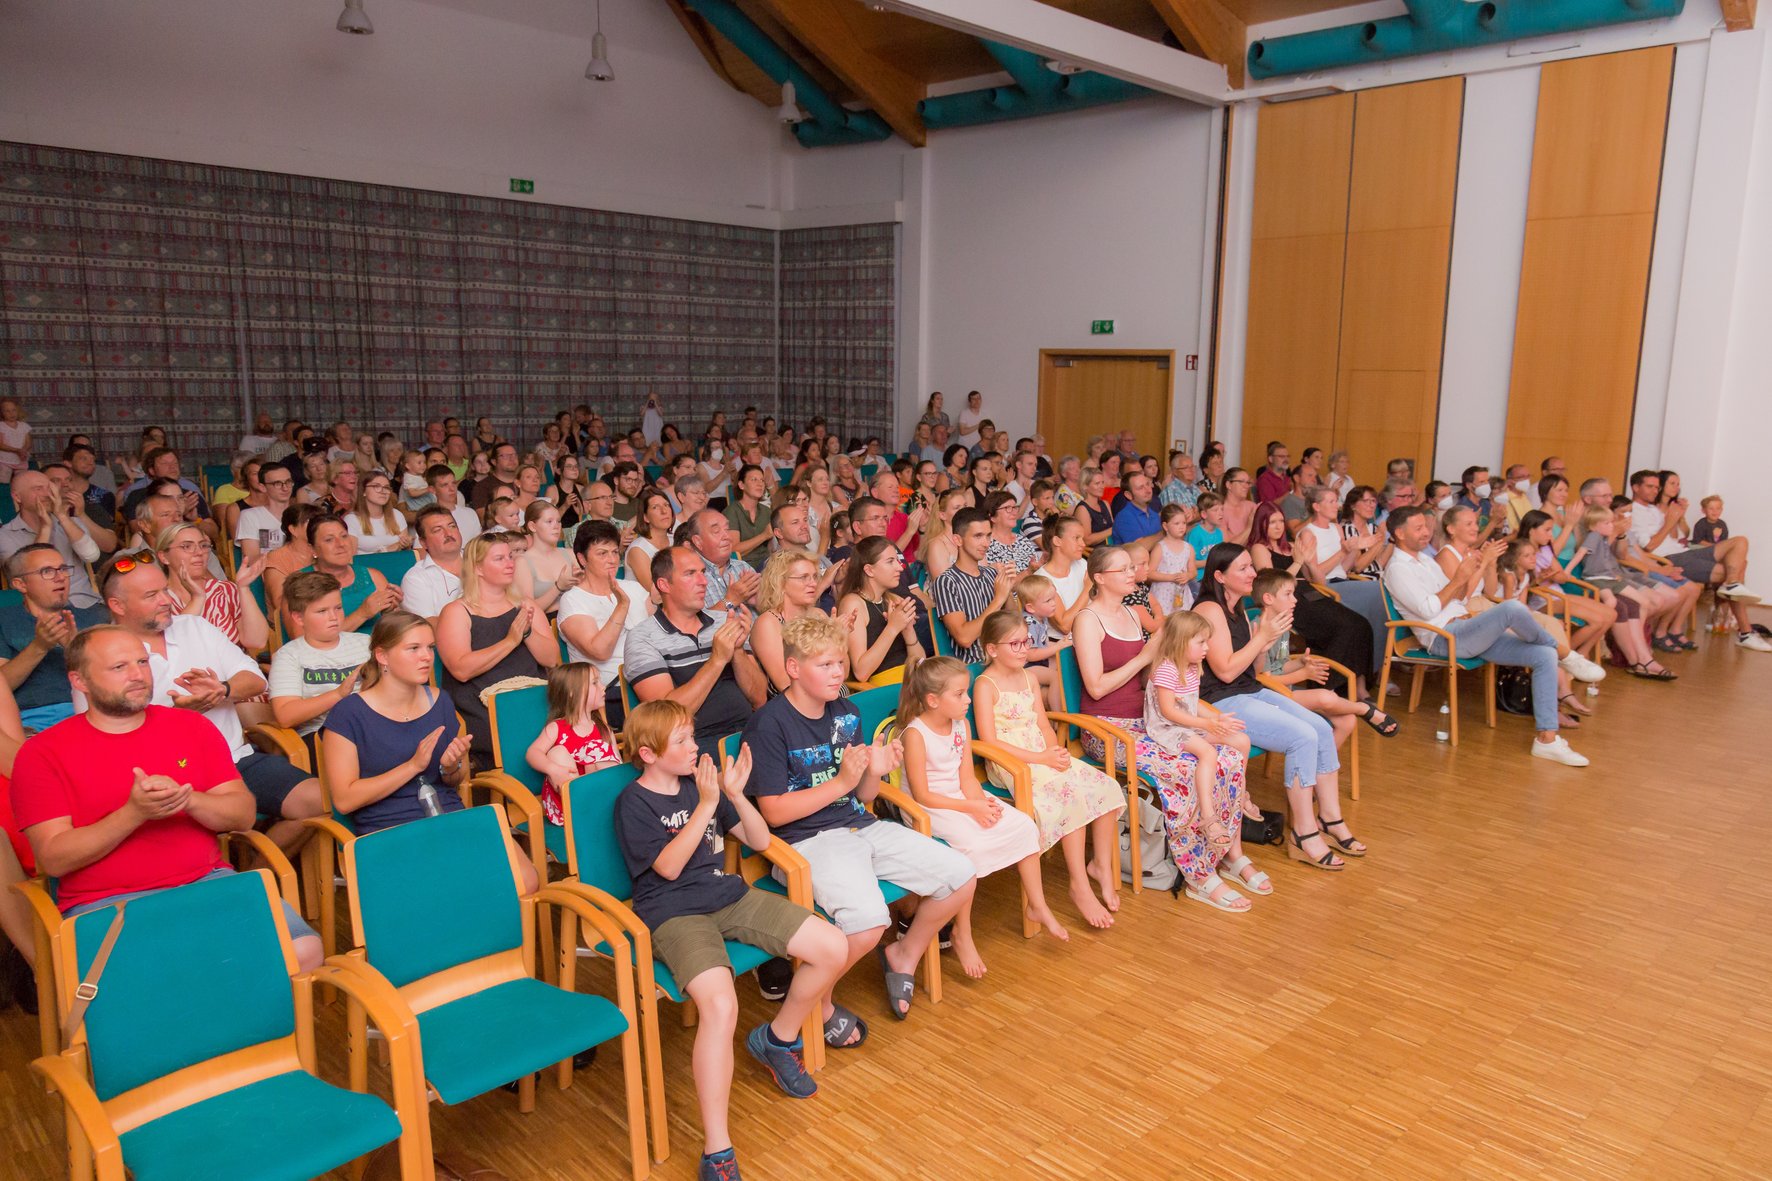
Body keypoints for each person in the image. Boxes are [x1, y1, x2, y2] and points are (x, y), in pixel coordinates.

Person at [614, 700, 847, 1181]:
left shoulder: (703, 786)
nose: (693, 746)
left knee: (832, 947)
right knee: (720, 1007)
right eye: (681, 740)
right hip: (673, 913)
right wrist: (705, 805)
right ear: (648, 754)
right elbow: (668, 868)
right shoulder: (634, 803)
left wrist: (735, 796)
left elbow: (759, 841)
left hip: (728, 896)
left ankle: (778, 1040)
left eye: (692, 734)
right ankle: (717, 1148)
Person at [11, 625, 322, 971]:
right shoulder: (43, 753)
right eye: (119, 667)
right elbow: (53, 859)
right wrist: (133, 814)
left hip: (206, 883)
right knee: (165, 977)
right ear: (79, 681)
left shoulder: (191, 726)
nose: (137, 675)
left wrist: (188, 801)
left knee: (303, 950)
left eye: (142, 662)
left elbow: (243, 815)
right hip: (107, 903)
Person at [743, 616, 977, 1030]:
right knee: (869, 923)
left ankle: (904, 954)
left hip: (858, 824)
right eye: (825, 665)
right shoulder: (769, 724)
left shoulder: (846, 712)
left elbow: (864, 794)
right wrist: (840, 783)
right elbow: (775, 812)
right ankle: (819, 1003)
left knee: (961, 875)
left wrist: (875, 771)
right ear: (793, 668)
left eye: (840, 663)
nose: (838, 673)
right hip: (804, 841)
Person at [1069, 547, 1258, 904]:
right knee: (1187, 769)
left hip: (1147, 720)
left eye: (1132, 567)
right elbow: (1096, 687)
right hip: (1105, 729)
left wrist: (1188, 689)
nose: (1132, 573)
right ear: (1099, 578)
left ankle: (1226, 853)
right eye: (1123, 569)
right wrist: (1145, 657)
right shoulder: (1087, 620)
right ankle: (1199, 873)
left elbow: (1153, 678)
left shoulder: (1131, 612)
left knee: (1229, 754)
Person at [1190, 543, 1370, 871]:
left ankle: (1330, 818)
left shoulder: (1238, 607)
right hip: (1219, 701)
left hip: (1249, 690)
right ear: (1219, 576)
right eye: (1243, 568)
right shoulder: (1209, 610)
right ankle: (1303, 832)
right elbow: (1225, 671)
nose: (1252, 573)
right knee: (1302, 736)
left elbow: (1253, 669)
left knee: (1321, 727)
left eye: (1251, 565)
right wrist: (1261, 639)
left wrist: (1265, 643)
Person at [897, 656, 1067, 977]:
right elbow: (922, 795)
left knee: (1023, 826)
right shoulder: (915, 734)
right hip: (928, 809)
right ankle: (962, 932)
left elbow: (966, 778)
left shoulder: (960, 725)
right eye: (960, 694)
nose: (968, 700)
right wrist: (971, 809)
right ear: (933, 700)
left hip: (961, 799)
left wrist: (982, 805)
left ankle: (1037, 904)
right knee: (972, 848)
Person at [1383, 507, 1590, 766]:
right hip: (1445, 637)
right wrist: (1458, 578)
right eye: (1418, 528)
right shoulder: (1398, 568)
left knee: (1543, 655)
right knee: (1512, 608)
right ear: (1400, 533)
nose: (1426, 532)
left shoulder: (1425, 560)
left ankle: (1547, 740)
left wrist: (1468, 575)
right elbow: (1427, 610)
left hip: (1467, 628)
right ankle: (1567, 656)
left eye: (1426, 526)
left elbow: (1460, 598)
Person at [972, 611, 1124, 928]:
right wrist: (1040, 759)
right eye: (1014, 644)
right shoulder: (986, 685)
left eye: (1025, 642)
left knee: (1105, 786)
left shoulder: (1029, 678)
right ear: (992, 649)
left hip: (1041, 753)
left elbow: (1042, 723)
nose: (1023, 649)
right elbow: (989, 740)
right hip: (1010, 762)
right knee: (1069, 798)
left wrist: (1055, 752)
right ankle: (1079, 885)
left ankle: (1101, 865)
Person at [1142, 609, 1262, 911]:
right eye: (1201, 642)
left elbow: (1194, 705)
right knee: (1207, 752)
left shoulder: (1194, 667)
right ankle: (1209, 816)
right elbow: (1169, 712)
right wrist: (1207, 725)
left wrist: (1218, 720)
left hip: (1188, 723)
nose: (1207, 647)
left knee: (1241, 740)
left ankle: (1241, 794)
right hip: (1167, 728)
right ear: (1181, 643)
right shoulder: (1166, 670)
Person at [627, 545, 767, 760]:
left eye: (702, 572)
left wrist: (737, 650)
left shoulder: (724, 621)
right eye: (690, 574)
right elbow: (667, 719)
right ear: (664, 584)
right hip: (694, 747)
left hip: (749, 733)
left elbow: (759, 698)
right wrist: (717, 660)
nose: (703, 581)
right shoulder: (643, 637)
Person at [437, 533, 561, 766]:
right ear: (478, 568)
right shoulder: (457, 611)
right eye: (499, 558)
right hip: (483, 709)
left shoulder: (525, 605)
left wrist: (527, 632)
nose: (510, 563)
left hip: (532, 700)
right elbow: (461, 669)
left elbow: (552, 659)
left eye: (510, 556)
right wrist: (510, 641)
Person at [1626, 470, 1765, 652]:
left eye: (1656, 487)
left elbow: (1676, 537)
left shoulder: (1654, 509)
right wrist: (1670, 521)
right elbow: (1649, 546)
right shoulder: (1632, 512)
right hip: (1669, 558)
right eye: (1650, 486)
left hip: (1683, 551)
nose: (1654, 490)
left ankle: (1732, 589)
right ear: (1636, 488)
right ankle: (1744, 630)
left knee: (1740, 542)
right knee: (1734, 571)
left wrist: (1678, 516)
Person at [0, 544, 110, 729]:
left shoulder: (96, 617)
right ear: (20, 584)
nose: (60, 577)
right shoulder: (4, 620)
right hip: (31, 723)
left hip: (95, 715)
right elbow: (2, 685)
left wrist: (75, 650)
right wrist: (39, 646)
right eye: (47, 571)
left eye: (63, 569)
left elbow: (114, 676)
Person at [267, 571, 371, 761]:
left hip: (371, 726)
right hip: (320, 735)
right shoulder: (289, 656)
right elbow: (285, 715)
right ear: (299, 618)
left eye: (338, 608)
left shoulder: (366, 644)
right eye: (322, 611)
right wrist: (338, 694)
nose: (334, 617)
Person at [557, 521, 650, 729]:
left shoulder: (634, 588)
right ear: (582, 559)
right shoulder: (573, 600)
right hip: (610, 693)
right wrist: (622, 605)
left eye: (615, 552)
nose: (612, 559)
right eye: (602, 553)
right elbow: (600, 651)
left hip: (648, 677)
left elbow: (660, 629)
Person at [524, 662, 621, 827]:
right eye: (595, 683)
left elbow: (616, 766)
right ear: (572, 691)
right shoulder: (557, 727)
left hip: (599, 800)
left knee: (600, 749)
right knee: (557, 752)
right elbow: (532, 752)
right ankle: (583, 809)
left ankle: (604, 809)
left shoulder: (603, 729)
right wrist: (552, 769)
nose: (603, 687)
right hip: (566, 805)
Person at [156, 523, 270, 654]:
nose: (199, 552)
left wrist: (244, 588)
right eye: (187, 546)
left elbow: (257, 641)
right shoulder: (158, 599)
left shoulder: (225, 590)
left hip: (232, 666)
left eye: (203, 545)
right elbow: (175, 646)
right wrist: (197, 598)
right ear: (164, 557)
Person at [0, 471, 103, 608]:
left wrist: (62, 516)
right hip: (38, 610)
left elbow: (91, 556)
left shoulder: (72, 523)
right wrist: (45, 528)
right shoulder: (5, 535)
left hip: (84, 603)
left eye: (49, 488)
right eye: (38, 489)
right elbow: (23, 575)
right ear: (17, 497)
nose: (47, 494)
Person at [932, 508, 1018, 664]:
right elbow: (964, 638)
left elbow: (1014, 621)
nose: (986, 543)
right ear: (958, 540)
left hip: (1004, 660)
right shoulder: (946, 581)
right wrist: (998, 599)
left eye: (988, 536)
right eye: (978, 536)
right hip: (975, 666)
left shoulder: (992, 574)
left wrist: (1008, 590)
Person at [836, 538, 923, 685]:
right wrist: (893, 628)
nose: (900, 568)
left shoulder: (893, 600)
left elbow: (921, 664)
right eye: (890, 562)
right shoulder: (853, 603)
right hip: (885, 689)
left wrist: (908, 630)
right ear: (869, 570)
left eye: (897, 560)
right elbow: (861, 672)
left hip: (911, 681)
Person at [305, 514, 400, 635]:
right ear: (312, 549)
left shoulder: (373, 576)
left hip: (379, 645)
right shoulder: (299, 584)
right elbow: (303, 640)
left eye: (344, 536)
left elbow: (396, 630)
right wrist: (362, 614)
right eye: (329, 540)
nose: (341, 544)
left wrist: (389, 611)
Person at [687, 509, 761, 618]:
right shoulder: (690, 577)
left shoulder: (742, 567)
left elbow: (773, 611)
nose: (727, 536)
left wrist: (758, 602)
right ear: (698, 541)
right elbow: (694, 623)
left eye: (727, 529)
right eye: (716, 531)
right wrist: (730, 601)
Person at [401, 505, 466, 624]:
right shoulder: (415, 578)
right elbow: (426, 625)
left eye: (452, 526)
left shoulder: (482, 560)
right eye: (437, 530)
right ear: (423, 542)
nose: (448, 533)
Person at [518, 501, 580, 613]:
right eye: (549, 521)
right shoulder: (522, 562)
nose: (556, 526)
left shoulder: (571, 554)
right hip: (546, 621)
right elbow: (527, 610)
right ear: (532, 526)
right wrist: (558, 587)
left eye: (558, 521)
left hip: (579, 616)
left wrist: (582, 581)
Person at [236, 460, 296, 561]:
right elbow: (251, 559)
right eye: (277, 483)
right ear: (263, 487)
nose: (285, 488)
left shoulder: (302, 514)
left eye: (288, 482)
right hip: (268, 569)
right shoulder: (250, 516)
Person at [1147, 504, 1196, 615]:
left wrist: (1187, 576)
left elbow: (1193, 571)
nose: (1181, 527)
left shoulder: (1188, 548)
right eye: (1177, 523)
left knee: (1181, 621)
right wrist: (1172, 577)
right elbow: (1149, 573)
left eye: (1184, 523)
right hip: (1162, 594)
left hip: (1181, 594)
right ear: (1165, 526)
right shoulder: (1160, 547)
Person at [345, 472, 408, 554]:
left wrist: (406, 544)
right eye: (376, 486)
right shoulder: (351, 520)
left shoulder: (397, 515)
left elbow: (406, 552)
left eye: (386, 487)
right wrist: (386, 550)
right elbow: (351, 557)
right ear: (363, 491)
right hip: (364, 562)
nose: (383, 491)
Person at [982, 491, 1040, 573]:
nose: (1015, 512)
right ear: (992, 517)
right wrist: (1028, 572)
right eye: (1008, 508)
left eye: (1015, 507)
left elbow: (1036, 571)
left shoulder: (1023, 541)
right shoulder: (985, 545)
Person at [426, 464, 482, 544]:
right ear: (432, 489)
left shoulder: (470, 513)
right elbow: (419, 549)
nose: (452, 489)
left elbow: (479, 544)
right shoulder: (427, 518)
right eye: (445, 485)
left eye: (453, 483)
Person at [1110, 472, 1161, 546]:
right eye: (1140, 488)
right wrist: (1164, 533)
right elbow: (1138, 548)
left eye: (1147, 484)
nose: (1148, 490)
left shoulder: (1154, 514)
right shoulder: (1124, 517)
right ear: (1129, 495)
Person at [1073, 467, 1114, 547]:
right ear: (1085, 486)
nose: (1102, 486)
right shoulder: (1082, 509)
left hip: (1111, 547)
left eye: (1102, 482)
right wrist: (1112, 530)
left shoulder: (1105, 504)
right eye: (1097, 483)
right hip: (1096, 551)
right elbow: (1087, 540)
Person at [1219, 469, 1256, 546]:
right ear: (1228, 485)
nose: (1246, 486)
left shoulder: (1252, 506)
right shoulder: (1220, 511)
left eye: (1248, 482)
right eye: (1241, 482)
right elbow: (1226, 549)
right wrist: (1249, 527)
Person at [0, 397, 32, 483]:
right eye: (7, 411)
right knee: (3, 482)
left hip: (21, 459)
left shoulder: (24, 426)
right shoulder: (1, 426)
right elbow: (1, 444)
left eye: (13, 410)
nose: (11, 413)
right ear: (2, 413)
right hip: (5, 460)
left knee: (22, 482)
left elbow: (28, 442)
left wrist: (24, 450)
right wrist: (17, 450)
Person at [1255, 441, 1291, 505]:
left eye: (1287, 456)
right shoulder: (1264, 479)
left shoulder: (1287, 478)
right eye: (1281, 456)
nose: (1286, 459)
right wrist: (1291, 493)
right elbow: (1269, 506)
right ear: (1271, 459)